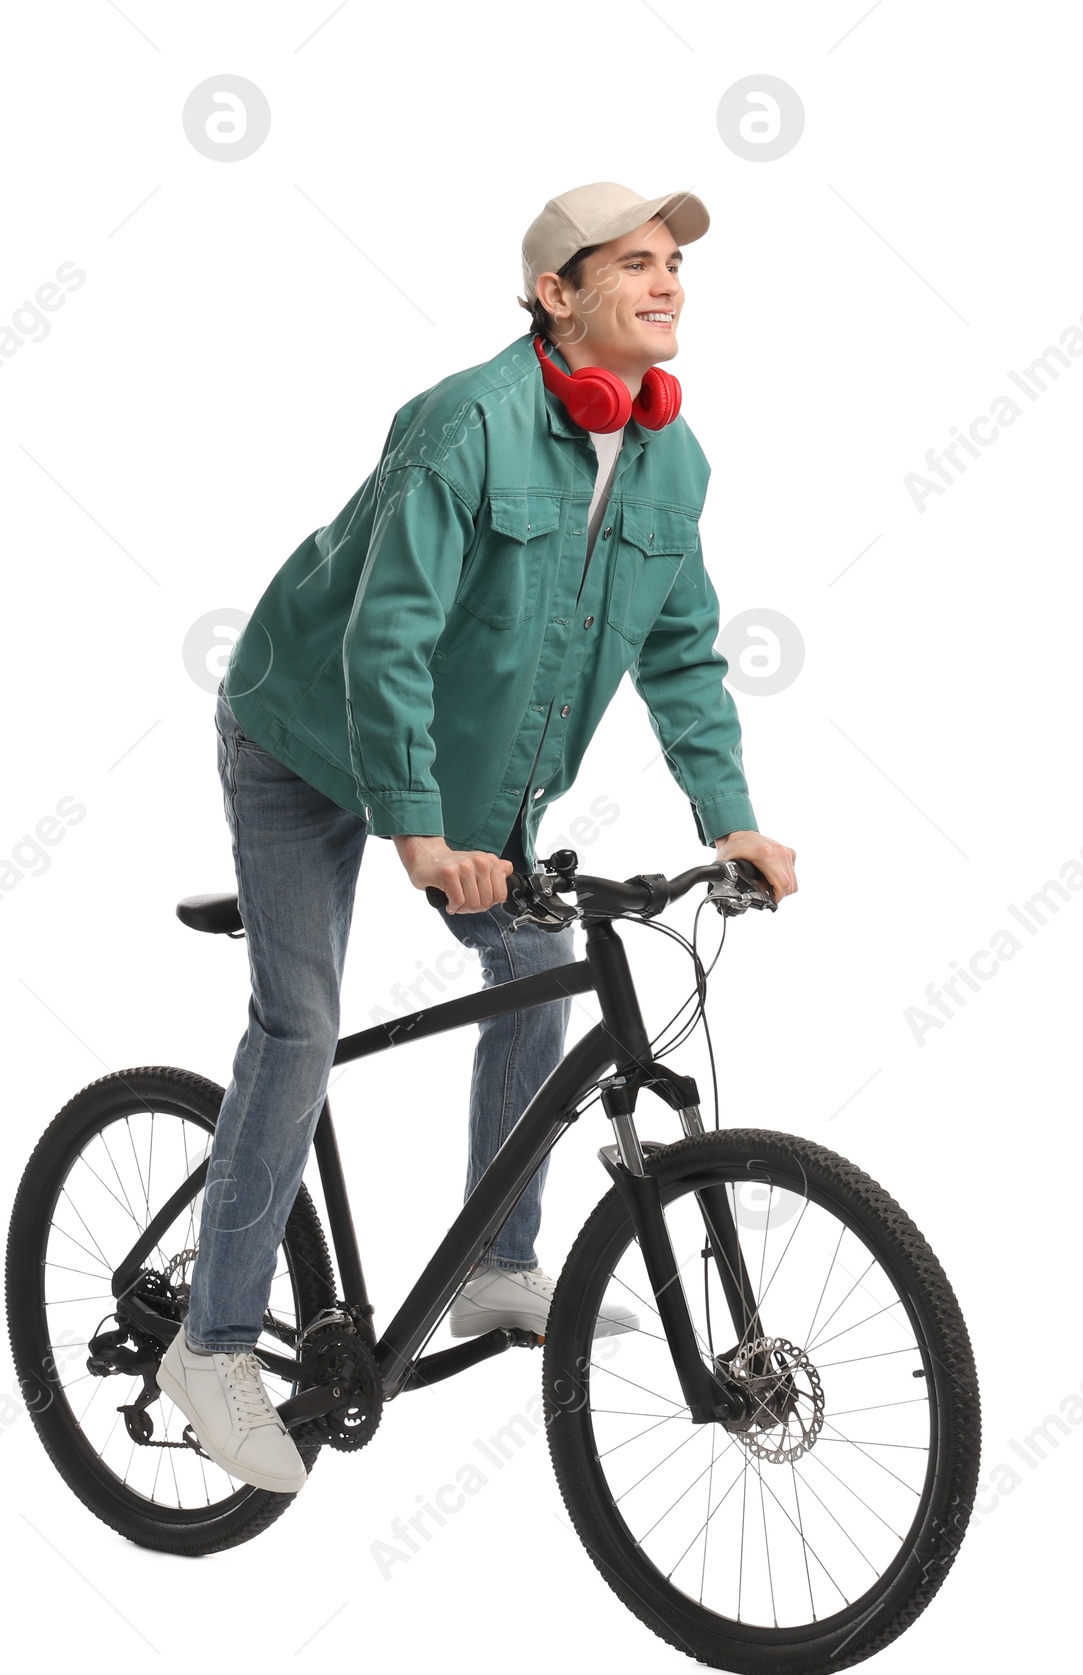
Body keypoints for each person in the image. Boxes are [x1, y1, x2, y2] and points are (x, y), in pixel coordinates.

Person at [159, 181, 800, 1493]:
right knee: (302, 1028)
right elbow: (383, 635)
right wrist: (416, 836)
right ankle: (211, 1344)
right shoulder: (468, 424)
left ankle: (498, 1267)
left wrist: (731, 822)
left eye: (676, 263)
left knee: (542, 968)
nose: (670, 282)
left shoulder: (673, 459)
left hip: (477, 783)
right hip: (302, 735)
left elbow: (683, 656)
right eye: (635, 264)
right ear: (557, 296)